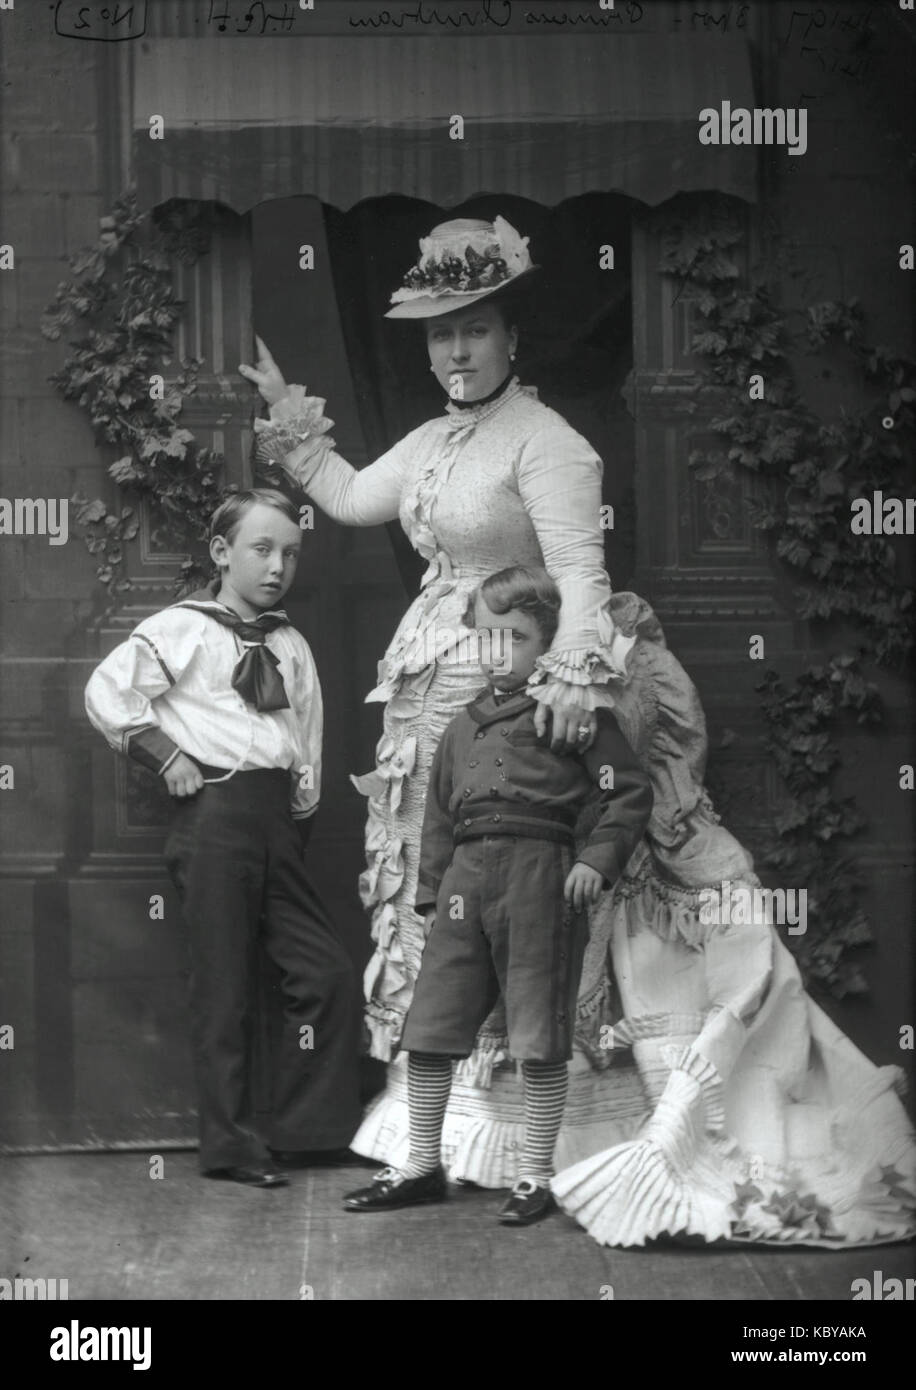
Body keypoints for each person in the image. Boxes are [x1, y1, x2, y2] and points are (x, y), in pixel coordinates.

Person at [240, 217, 916, 1245]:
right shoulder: (432, 440)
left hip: (520, 689)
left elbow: (582, 577)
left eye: (472, 330)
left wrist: (569, 679)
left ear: (512, 335)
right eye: (436, 335)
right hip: (431, 707)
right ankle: (436, 1142)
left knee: (533, 922)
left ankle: (538, 1149)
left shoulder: (551, 444)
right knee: (438, 909)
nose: (454, 352)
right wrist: (288, 419)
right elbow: (344, 494)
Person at [342, 566, 653, 1223]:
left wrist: (595, 860)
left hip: (541, 877)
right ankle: (421, 1164)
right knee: (430, 1026)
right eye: (485, 638)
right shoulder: (460, 727)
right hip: (464, 884)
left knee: (537, 1032)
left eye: (513, 638)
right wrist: (430, 897)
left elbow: (626, 792)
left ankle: (536, 1176)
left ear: (548, 645)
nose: (496, 653)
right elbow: (437, 818)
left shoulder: (574, 715)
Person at [84, 489, 362, 1187]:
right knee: (225, 987)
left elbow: (308, 746)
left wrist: (296, 822)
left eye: (290, 553)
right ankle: (233, 1149)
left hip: (277, 823)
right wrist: (166, 757)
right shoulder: (182, 629)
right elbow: (107, 692)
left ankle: (306, 1133)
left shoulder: (290, 644)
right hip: (212, 819)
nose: (277, 568)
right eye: (261, 550)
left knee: (325, 976)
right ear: (220, 553)